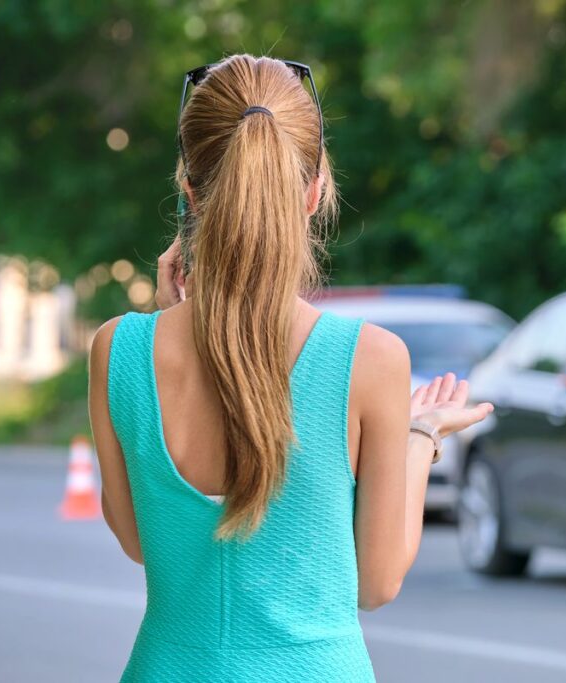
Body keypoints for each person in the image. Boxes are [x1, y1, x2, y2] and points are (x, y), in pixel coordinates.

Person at [87, 54, 492, 682]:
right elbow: (378, 582)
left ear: (190, 191)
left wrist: (167, 328)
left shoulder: (117, 351)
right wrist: (422, 435)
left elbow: (144, 544)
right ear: (313, 190)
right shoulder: (372, 358)